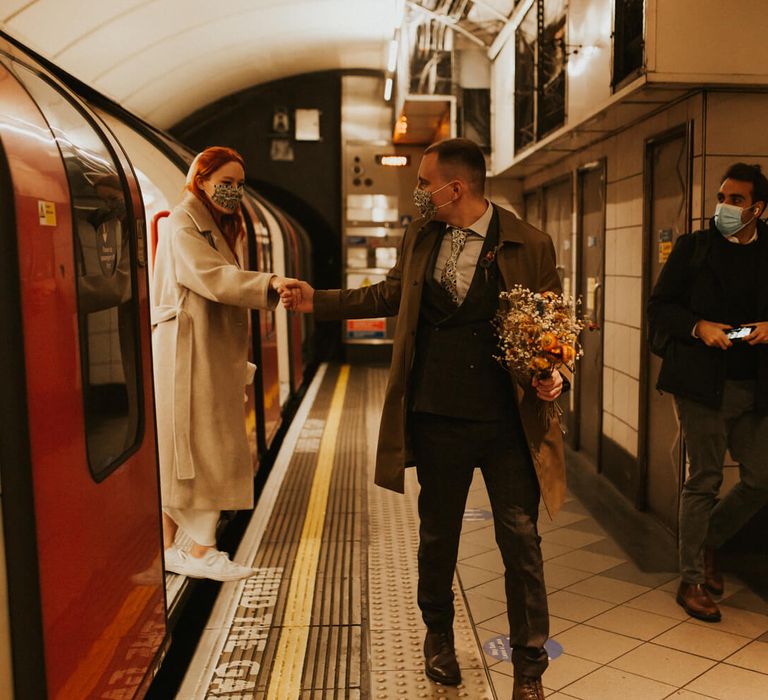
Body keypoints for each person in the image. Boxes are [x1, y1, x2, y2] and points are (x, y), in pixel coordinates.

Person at [286, 138, 567, 700]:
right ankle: (437, 634)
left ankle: (529, 668)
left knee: (521, 540)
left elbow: (552, 326)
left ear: (454, 188)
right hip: (437, 414)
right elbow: (388, 294)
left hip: (509, 422)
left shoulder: (529, 243)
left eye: (424, 182)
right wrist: (318, 299)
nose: (418, 192)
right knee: (439, 532)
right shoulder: (422, 235)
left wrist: (553, 373)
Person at [152, 146, 296, 581]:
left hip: (200, 355)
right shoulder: (183, 225)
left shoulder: (205, 224)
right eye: (225, 183)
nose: (233, 191)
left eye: (239, 184)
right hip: (189, 358)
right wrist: (271, 282)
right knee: (203, 452)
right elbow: (212, 278)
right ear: (201, 179)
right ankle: (200, 552)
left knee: (190, 453)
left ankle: (174, 549)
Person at [648, 162, 768, 622]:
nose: (725, 207)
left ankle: (708, 541)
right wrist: (698, 327)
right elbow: (660, 308)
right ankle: (692, 579)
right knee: (705, 479)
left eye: (736, 200)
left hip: (755, 385)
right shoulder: (693, 248)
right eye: (722, 197)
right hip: (702, 384)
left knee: (761, 476)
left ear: (757, 208)